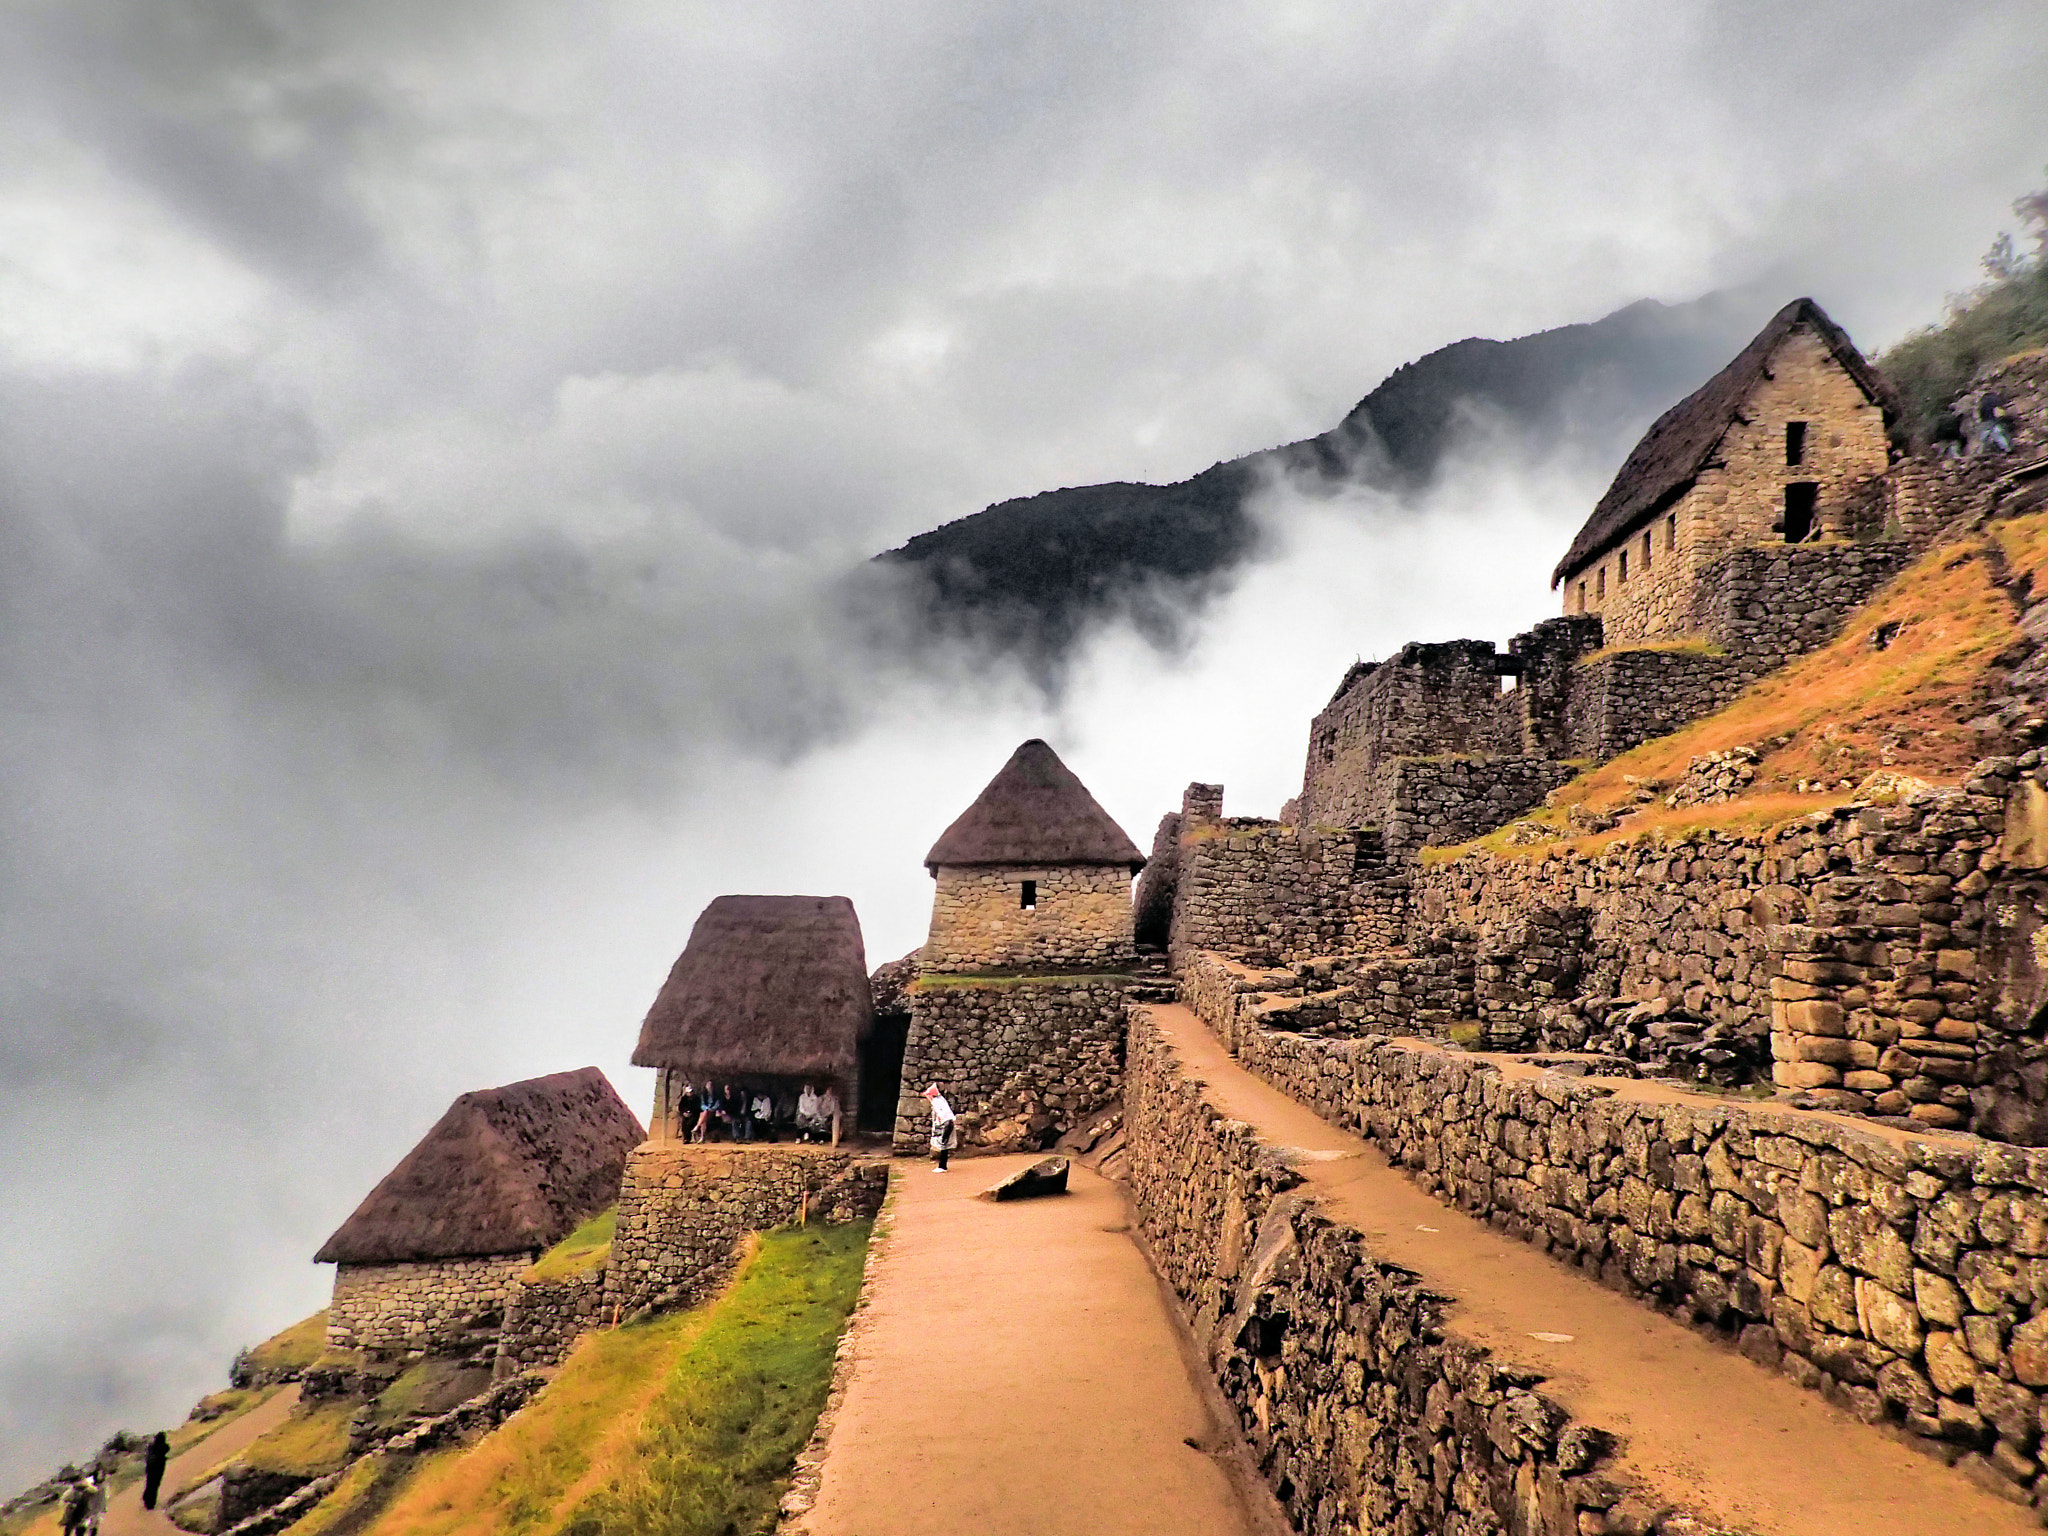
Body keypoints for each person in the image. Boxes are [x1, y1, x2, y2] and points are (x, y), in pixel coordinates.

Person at [923, 1084, 957, 1172]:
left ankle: (942, 1166)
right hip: (947, 1123)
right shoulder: (939, 1101)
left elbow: (943, 1114)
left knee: (943, 1145)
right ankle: (942, 1165)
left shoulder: (937, 1102)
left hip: (946, 1124)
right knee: (943, 1145)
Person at [142, 1431, 170, 1511]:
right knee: (155, 1485)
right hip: (158, 1468)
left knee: (150, 1484)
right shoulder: (164, 1447)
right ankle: (150, 1503)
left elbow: (148, 1456)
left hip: (151, 1468)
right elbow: (165, 1450)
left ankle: (148, 1500)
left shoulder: (151, 1447)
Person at [818, 1083, 843, 1147]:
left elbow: (834, 1109)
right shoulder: (821, 1098)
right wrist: (821, 1116)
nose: (830, 1092)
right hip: (823, 1115)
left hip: (832, 1115)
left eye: (831, 1090)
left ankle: (835, 1141)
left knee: (837, 1118)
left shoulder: (834, 1099)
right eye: (828, 1090)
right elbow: (817, 1109)